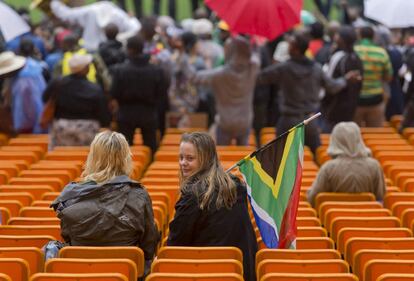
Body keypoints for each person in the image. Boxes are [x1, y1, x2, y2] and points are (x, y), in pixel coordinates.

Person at [51, 131, 159, 275]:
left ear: (93, 157)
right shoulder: (139, 195)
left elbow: (67, 236)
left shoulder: (71, 196)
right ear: (125, 158)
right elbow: (148, 247)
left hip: (80, 274)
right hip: (124, 273)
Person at [167, 132, 258, 281]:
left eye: (190, 158)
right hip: (241, 273)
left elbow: (176, 245)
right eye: (181, 157)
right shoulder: (237, 187)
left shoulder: (192, 194)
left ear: (206, 160)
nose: (183, 163)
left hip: (207, 272)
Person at [257, 30, 360, 154]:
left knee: (280, 157)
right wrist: (346, 79)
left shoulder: (283, 68)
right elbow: (332, 86)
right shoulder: (316, 68)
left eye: (290, 45)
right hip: (310, 120)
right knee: (319, 155)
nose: (288, 47)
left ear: (296, 49)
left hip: (288, 121)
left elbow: (260, 78)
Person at [193, 36, 259, 145]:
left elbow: (195, 78)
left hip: (224, 122)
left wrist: (207, 64)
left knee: (222, 157)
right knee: (244, 158)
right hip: (245, 121)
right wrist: (252, 46)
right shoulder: (253, 68)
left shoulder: (218, 74)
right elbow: (256, 57)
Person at [110, 35, 169, 152]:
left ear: (129, 49)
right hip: (149, 112)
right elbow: (162, 94)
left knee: (124, 150)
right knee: (150, 148)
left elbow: (114, 92)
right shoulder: (156, 70)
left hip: (126, 112)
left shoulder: (120, 70)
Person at [307, 122, 386, 207]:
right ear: (358, 139)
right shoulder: (374, 166)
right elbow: (380, 196)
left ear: (335, 140)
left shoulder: (328, 168)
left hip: (334, 218)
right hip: (367, 218)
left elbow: (313, 199)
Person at [42, 53, 111, 148]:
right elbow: (103, 113)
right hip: (87, 129)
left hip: (61, 127)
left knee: (60, 157)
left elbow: (45, 98)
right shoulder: (94, 88)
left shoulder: (57, 83)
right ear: (85, 69)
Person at [49, 0, 141, 51]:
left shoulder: (90, 11)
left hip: (91, 50)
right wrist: (120, 38)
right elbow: (135, 28)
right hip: (112, 50)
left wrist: (54, 2)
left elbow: (66, 14)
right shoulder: (117, 13)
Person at [320, 25, 363, 132]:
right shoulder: (356, 57)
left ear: (342, 39)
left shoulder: (338, 56)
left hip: (333, 106)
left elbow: (328, 82)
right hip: (351, 105)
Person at [354, 26, 392, 127]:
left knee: (355, 134)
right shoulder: (381, 53)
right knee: (375, 133)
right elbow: (388, 77)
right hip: (376, 99)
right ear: (374, 37)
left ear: (359, 36)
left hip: (356, 99)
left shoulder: (354, 51)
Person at [0, 51, 46, 134]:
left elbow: (27, 111)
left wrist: (20, 128)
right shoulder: (31, 67)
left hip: (29, 124)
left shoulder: (22, 83)